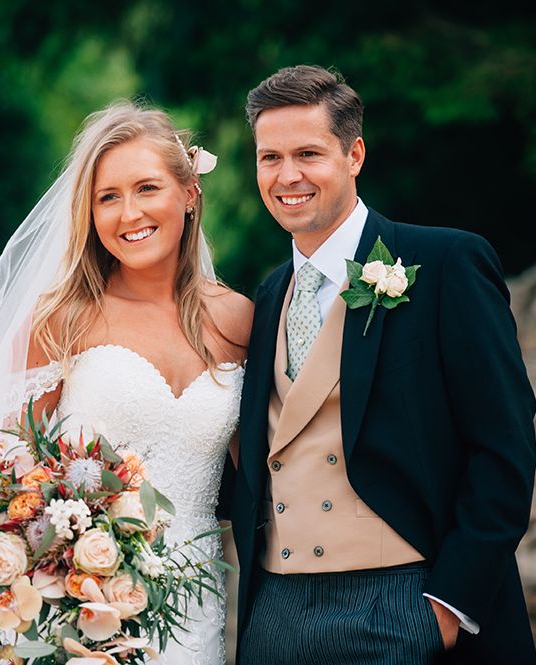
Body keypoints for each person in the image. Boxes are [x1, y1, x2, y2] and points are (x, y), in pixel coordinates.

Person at [0, 101, 253, 665]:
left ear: (189, 192)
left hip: (195, 610)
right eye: (107, 197)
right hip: (76, 608)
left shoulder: (238, 319)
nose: (129, 213)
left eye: (147, 188)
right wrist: (57, 566)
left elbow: (266, 471)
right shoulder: (63, 320)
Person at [229, 65, 536, 664]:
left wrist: (448, 607)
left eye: (308, 154)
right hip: (274, 612)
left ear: (354, 155)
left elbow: (505, 447)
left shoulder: (446, 263)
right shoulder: (266, 297)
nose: (287, 176)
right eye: (270, 158)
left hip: (404, 600)